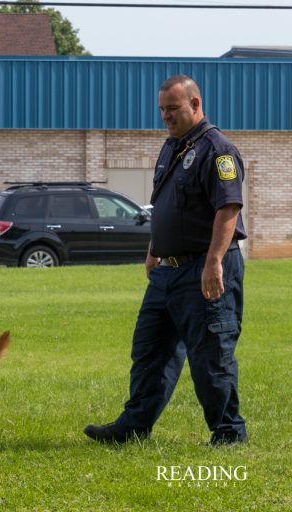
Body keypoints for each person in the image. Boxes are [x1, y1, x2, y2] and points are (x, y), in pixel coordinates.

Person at [84, 74, 248, 446]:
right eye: (162, 110)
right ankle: (134, 427)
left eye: (173, 109)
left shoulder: (218, 150)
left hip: (204, 270)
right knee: (149, 350)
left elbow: (229, 209)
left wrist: (213, 262)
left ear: (195, 103)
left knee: (211, 355)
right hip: (167, 272)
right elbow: (163, 206)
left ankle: (229, 433)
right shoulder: (171, 148)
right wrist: (154, 251)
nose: (166, 116)